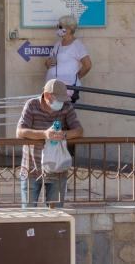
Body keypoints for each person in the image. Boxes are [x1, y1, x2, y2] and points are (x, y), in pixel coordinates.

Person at [17, 79, 84, 208]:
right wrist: (44, 134)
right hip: (31, 167)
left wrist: (64, 135)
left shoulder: (66, 107)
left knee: (56, 214)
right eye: (58, 99)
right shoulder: (31, 105)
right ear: (47, 95)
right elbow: (20, 132)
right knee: (28, 214)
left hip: (57, 168)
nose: (61, 102)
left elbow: (79, 130)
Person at [45, 14, 92, 103]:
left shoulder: (77, 45)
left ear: (69, 29)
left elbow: (88, 65)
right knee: (53, 115)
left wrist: (77, 77)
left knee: (64, 115)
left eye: (60, 26)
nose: (58, 29)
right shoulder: (58, 44)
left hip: (68, 88)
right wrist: (48, 63)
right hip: (52, 88)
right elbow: (48, 63)